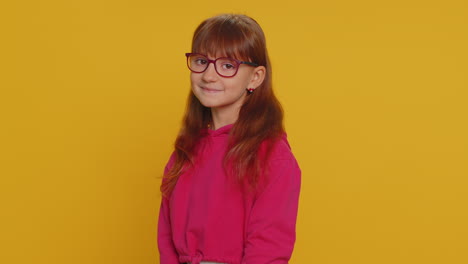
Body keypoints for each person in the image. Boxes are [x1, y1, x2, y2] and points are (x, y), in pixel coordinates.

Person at [158, 14, 301, 264]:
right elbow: (166, 235)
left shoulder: (272, 156)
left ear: (255, 77)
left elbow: (268, 249)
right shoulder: (186, 149)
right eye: (202, 61)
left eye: (227, 66)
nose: (209, 76)